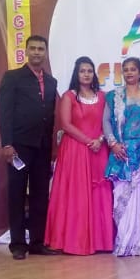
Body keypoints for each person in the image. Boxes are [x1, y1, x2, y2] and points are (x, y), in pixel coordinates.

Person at [0, 34, 59, 260]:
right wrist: (7, 144)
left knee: (40, 194)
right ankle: (17, 244)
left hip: (42, 147)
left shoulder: (51, 82)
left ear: (46, 53)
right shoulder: (12, 77)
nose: (36, 52)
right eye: (32, 48)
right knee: (16, 193)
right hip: (18, 147)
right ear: (26, 51)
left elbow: (49, 116)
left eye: (41, 49)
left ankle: (37, 242)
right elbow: (4, 113)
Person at [44, 56, 114, 255]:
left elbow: (107, 122)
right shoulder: (69, 96)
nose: (86, 74)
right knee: (76, 195)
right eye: (82, 71)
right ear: (77, 73)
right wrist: (88, 141)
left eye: (89, 71)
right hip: (75, 151)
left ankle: (101, 242)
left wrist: (100, 139)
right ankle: (74, 241)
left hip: (98, 150)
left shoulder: (103, 96)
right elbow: (66, 125)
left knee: (99, 193)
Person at [103, 57, 140, 256]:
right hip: (122, 154)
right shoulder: (114, 97)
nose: (129, 73)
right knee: (122, 198)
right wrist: (113, 144)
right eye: (126, 69)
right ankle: (126, 242)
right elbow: (106, 122)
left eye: (133, 69)